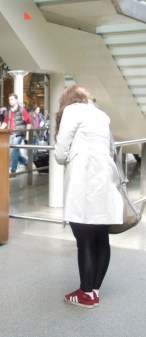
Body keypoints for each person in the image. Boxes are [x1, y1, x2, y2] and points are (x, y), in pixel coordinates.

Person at [54, 85, 123, 309]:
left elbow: (60, 152)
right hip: (104, 179)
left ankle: (85, 294)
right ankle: (93, 290)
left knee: (84, 239)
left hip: (83, 180)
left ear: (69, 99)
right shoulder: (102, 115)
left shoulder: (72, 111)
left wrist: (65, 154)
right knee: (101, 237)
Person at [1, 93, 32, 173]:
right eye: (9, 99)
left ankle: (13, 170)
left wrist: (27, 135)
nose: (10, 101)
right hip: (11, 133)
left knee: (13, 151)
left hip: (18, 133)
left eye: (12, 99)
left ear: (16, 100)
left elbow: (28, 122)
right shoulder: (9, 111)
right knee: (15, 151)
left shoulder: (22, 110)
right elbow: (5, 122)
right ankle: (27, 163)